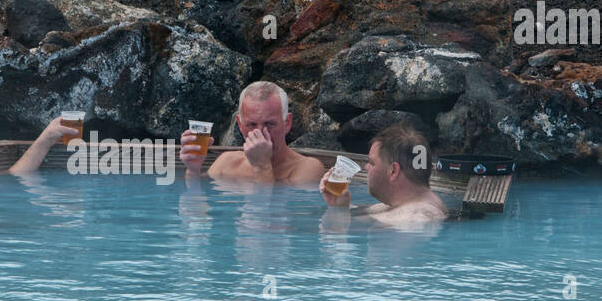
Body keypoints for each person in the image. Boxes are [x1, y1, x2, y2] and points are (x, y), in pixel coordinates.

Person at [178, 81, 327, 186]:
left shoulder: (307, 169)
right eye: (251, 124)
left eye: (269, 124)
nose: (260, 133)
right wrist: (193, 170)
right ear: (240, 125)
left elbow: (266, 217)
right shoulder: (227, 162)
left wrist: (261, 166)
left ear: (287, 123)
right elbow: (195, 198)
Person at [320, 123, 447, 226]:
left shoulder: (414, 220)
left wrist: (335, 229)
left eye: (372, 162)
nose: (366, 167)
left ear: (393, 171)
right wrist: (339, 206)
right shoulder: (406, 207)